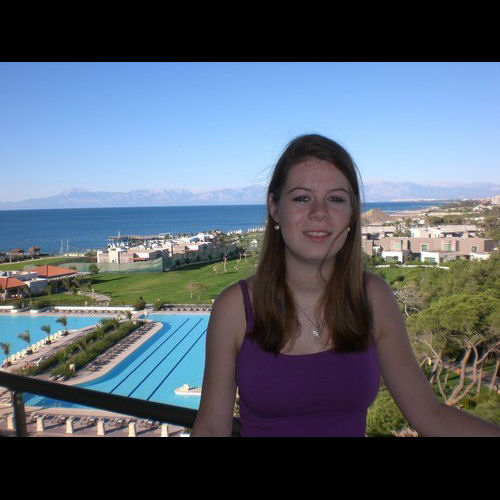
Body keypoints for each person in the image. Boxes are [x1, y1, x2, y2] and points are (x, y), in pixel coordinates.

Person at [191, 134, 500, 437]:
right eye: (302, 198)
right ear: (274, 207)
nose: (319, 212)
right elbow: (212, 428)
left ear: (352, 213)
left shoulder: (373, 299)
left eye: (336, 199)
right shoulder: (235, 309)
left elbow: (429, 415)